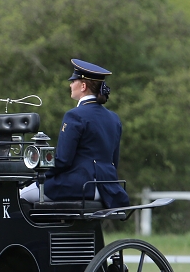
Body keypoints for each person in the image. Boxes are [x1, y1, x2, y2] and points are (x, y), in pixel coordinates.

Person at [20, 59, 130, 208]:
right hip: (107, 189)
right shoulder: (114, 118)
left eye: (73, 81)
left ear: (83, 86)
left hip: (79, 186)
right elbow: (114, 161)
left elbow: (63, 160)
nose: (70, 85)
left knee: (19, 195)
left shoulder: (74, 115)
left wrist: (39, 176)